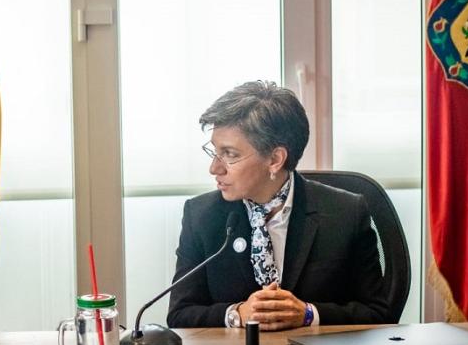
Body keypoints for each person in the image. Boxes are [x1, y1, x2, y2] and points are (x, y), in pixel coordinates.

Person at [167, 81, 389, 331]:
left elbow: (377, 313)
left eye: (229, 154)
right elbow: (179, 314)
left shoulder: (347, 213)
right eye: (215, 152)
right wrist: (236, 313)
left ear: (274, 159)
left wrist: (308, 314)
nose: (214, 168)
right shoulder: (201, 216)